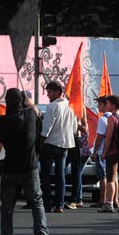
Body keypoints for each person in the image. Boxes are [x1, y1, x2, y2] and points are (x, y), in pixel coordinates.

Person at [0, 88, 48, 235]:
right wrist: (28, 100)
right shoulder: (30, 116)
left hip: (11, 169)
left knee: (7, 208)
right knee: (36, 203)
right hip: (30, 168)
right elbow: (36, 110)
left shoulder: (4, 122)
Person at [40, 81, 77, 213]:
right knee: (60, 174)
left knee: (45, 174)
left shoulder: (52, 106)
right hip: (65, 144)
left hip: (51, 143)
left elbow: (47, 128)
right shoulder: (70, 106)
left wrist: (41, 142)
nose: (48, 95)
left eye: (49, 92)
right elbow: (74, 128)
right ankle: (59, 204)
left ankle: (47, 203)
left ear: (57, 92)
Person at [99, 95, 119, 213]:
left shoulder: (112, 118)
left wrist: (104, 152)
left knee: (111, 178)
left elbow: (108, 137)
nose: (106, 105)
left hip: (114, 151)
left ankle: (109, 204)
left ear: (113, 105)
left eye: (107, 103)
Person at [65, 105, 89, 209]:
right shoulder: (65, 105)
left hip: (76, 142)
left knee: (76, 171)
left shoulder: (80, 107)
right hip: (64, 141)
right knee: (61, 170)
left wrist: (76, 124)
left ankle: (75, 199)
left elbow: (85, 128)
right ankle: (70, 198)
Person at [91, 96, 111, 208]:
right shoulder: (115, 117)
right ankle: (113, 200)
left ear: (105, 105)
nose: (98, 107)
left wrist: (95, 152)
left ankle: (102, 199)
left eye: (99, 104)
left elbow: (99, 138)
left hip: (102, 151)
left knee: (102, 177)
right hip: (112, 152)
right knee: (112, 177)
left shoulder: (103, 119)